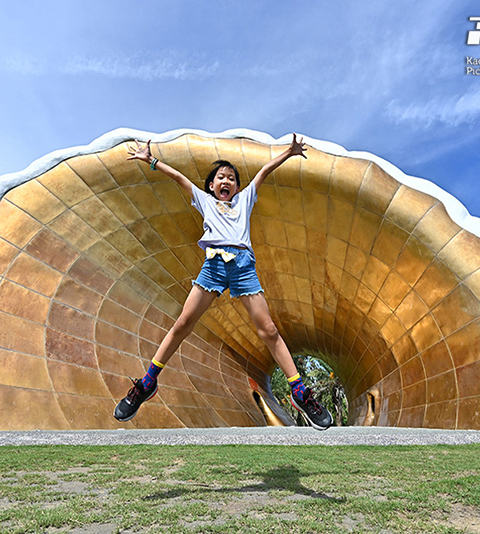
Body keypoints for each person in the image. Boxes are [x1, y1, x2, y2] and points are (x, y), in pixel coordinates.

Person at [114, 134, 333, 431]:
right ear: (211, 186)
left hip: (243, 266)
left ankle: (299, 392)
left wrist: (289, 152)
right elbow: (179, 177)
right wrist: (151, 160)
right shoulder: (204, 201)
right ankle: (147, 383)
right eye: (220, 178)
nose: (226, 181)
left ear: (238, 187)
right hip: (214, 265)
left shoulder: (245, 200)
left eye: (231, 177)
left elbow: (264, 171)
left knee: (268, 330)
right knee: (183, 324)